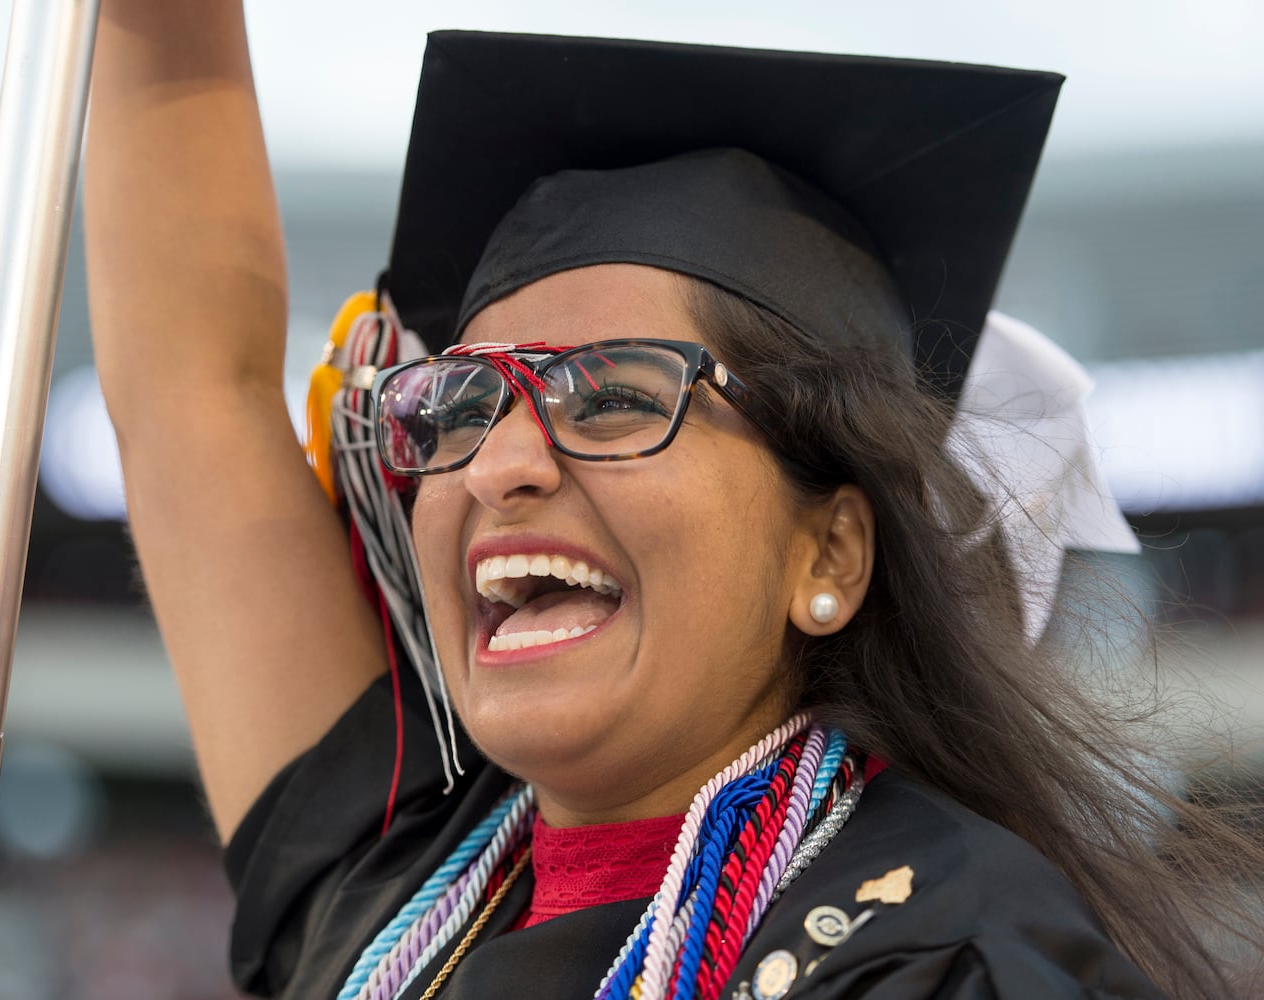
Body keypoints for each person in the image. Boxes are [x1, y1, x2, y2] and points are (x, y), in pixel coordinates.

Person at [85, 6, 1264, 999]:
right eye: (457, 405)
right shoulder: (387, 901)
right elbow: (196, 393)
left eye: (608, 395)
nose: (498, 464)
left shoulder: (951, 956)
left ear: (832, 553)